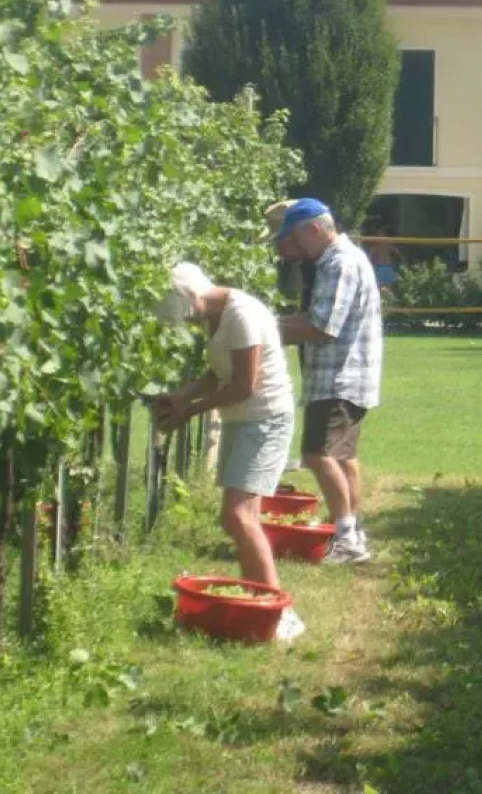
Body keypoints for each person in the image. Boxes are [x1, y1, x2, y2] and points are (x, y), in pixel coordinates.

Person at [153, 262, 305, 641]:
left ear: (190, 298)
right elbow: (218, 372)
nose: (189, 324)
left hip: (264, 420)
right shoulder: (216, 317)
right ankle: (260, 598)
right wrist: (182, 395)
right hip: (244, 421)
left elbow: (243, 386)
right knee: (238, 518)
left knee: (239, 517)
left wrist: (190, 410)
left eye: (187, 317)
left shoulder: (242, 316)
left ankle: (279, 613)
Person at [275, 199, 382, 565]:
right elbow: (313, 316)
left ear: (314, 230)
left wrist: (262, 333)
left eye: (294, 238)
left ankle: (347, 539)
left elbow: (321, 327)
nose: (295, 248)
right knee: (344, 457)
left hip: (337, 378)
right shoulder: (342, 259)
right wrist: (276, 322)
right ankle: (352, 531)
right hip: (351, 377)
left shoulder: (338, 263)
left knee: (316, 455)